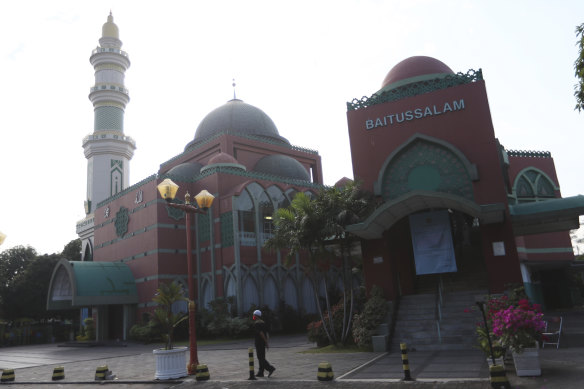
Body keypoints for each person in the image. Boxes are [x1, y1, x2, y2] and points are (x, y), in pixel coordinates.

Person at [252, 309, 275, 377]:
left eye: (254, 315)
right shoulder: (263, 323)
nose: (253, 316)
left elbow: (261, 333)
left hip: (259, 342)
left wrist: (265, 341)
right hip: (263, 342)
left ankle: (270, 368)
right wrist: (266, 342)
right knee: (262, 357)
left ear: (256, 316)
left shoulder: (257, 324)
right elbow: (267, 333)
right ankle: (261, 372)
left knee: (260, 358)